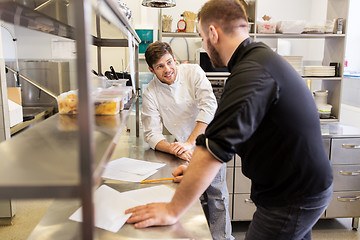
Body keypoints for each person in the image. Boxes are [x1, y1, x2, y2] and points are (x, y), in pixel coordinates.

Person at [126, 0, 333, 239]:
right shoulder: (258, 60)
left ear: (213, 33)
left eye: (202, 37)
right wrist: (195, 168)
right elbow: (240, 134)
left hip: (292, 195)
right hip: (300, 186)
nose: (204, 43)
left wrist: (172, 210)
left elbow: (217, 146)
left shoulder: (251, 73)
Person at [140, 41, 233, 240]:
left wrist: (191, 142)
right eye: (160, 66)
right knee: (193, 200)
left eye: (169, 62)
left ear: (175, 59)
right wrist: (174, 149)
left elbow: (209, 107)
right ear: (151, 70)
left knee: (217, 196)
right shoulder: (151, 93)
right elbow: (151, 134)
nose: (168, 69)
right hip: (182, 149)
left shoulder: (193, 72)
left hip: (210, 142)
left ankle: (222, 238)